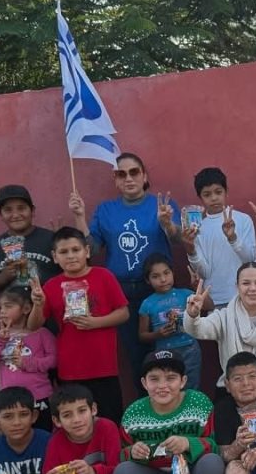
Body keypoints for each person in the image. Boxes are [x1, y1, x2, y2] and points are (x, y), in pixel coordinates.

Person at [69, 152, 180, 389]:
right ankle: (146, 413)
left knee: (169, 351)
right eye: (121, 174)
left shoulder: (163, 205)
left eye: (134, 172)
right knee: (138, 357)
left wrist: (167, 223)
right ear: (116, 181)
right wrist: (79, 218)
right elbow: (92, 248)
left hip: (159, 291)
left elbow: (179, 239)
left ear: (144, 176)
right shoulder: (106, 210)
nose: (128, 178)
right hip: (122, 295)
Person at [28, 227, 129, 423]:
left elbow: (123, 313)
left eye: (76, 250)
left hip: (104, 366)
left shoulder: (104, 276)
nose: (71, 256)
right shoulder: (50, 286)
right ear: (54, 257)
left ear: (87, 251)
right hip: (70, 368)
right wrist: (38, 304)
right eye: (64, 252)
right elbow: (34, 326)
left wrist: (95, 323)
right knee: (76, 424)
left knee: (109, 421)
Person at [183, 262, 256, 396]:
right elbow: (196, 330)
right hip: (234, 393)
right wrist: (192, 315)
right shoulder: (225, 317)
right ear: (237, 287)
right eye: (246, 283)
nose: (253, 288)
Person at [181, 167, 256, 308]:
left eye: (218, 192)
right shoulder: (198, 229)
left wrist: (233, 238)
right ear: (200, 198)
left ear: (226, 192)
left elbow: (251, 260)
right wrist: (191, 250)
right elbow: (204, 272)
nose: (214, 198)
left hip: (244, 296)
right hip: (214, 300)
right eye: (207, 194)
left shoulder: (243, 220)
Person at [0, 287, 57, 432]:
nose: (2, 311)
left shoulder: (42, 333)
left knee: (42, 433)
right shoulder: (0, 336)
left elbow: (53, 360)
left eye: (8, 306)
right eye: (1, 307)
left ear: (26, 309)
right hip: (10, 399)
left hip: (38, 396)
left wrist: (28, 363)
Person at [0, 185, 60, 296]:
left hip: (49, 310)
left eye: (21, 208)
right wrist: (2, 278)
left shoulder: (51, 239)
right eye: (8, 210)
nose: (15, 215)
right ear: (1, 215)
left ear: (32, 210)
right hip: (13, 312)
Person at [138, 254, 203, 390]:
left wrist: (198, 289)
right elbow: (142, 335)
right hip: (164, 352)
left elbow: (209, 306)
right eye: (155, 276)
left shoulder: (185, 294)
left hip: (190, 348)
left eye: (166, 273)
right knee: (170, 388)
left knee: (191, 387)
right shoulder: (147, 303)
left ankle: (191, 411)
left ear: (172, 273)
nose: (163, 279)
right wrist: (158, 334)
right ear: (148, 280)